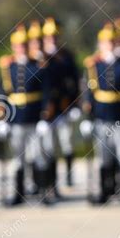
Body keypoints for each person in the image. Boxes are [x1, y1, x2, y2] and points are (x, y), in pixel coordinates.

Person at [0, 24, 54, 205]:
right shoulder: (9, 68)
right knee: (18, 158)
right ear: (14, 47)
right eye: (18, 46)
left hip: (35, 118)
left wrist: (45, 117)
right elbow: (2, 94)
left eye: (24, 46)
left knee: (39, 156)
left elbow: (46, 93)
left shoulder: (37, 67)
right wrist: (1, 119)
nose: (21, 49)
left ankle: (43, 191)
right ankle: (19, 193)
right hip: (16, 119)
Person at [82, 24, 120, 204]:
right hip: (101, 116)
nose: (109, 45)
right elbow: (89, 93)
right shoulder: (93, 65)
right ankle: (106, 190)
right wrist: (87, 118)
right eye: (106, 42)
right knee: (104, 156)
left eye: (112, 42)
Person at [42, 17, 80, 187]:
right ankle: (51, 184)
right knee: (49, 149)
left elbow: (74, 81)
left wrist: (75, 104)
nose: (53, 40)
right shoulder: (39, 57)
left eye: (55, 37)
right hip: (47, 110)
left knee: (67, 145)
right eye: (49, 37)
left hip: (64, 107)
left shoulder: (66, 56)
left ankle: (69, 177)